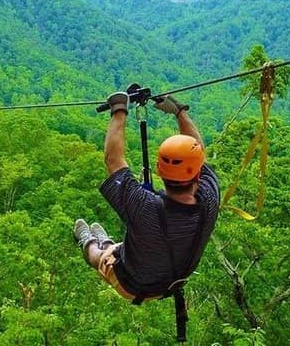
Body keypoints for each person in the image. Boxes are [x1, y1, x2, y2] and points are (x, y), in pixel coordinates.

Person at [73, 92, 220, 339]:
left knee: (103, 258)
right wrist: (180, 111)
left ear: (160, 172)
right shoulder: (210, 198)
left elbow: (113, 160)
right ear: (196, 173)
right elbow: (198, 151)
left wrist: (119, 109)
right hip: (169, 278)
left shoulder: (145, 207)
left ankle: (88, 242)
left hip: (132, 284)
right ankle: (108, 243)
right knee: (123, 246)